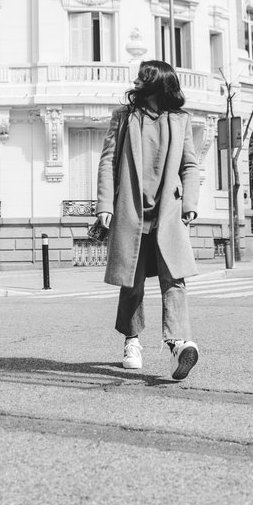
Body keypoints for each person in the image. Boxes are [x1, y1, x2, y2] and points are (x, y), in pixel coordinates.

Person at [96, 59, 200, 381]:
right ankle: (132, 342)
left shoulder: (179, 120)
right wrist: (104, 205)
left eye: (144, 77)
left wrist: (190, 204)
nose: (138, 81)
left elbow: (190, 165)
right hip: (133, 212)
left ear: (158, 82)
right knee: (132, 281)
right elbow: (108, 161)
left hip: (167, 214)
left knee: (175, 279)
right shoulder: (125, 118)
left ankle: (178, 345)